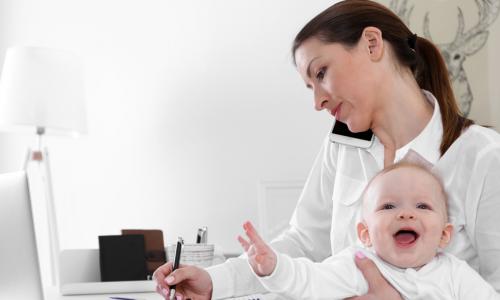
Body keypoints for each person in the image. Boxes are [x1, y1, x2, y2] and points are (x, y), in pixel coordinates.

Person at [154, 0, 500, 299]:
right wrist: (214, 281)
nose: (318, 101)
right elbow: (304, 243)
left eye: (321, 72)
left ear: (371, 44)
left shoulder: (481, 156)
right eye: (310, 86)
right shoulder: (343, 145)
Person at [238, 160, 500, 299]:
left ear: (444, 235)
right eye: (388, 206)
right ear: (365, 233)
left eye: (422, 205)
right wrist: (274, 267)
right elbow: (309, 281)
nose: (406, 213)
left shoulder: (456, 275)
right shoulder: (356, 264)